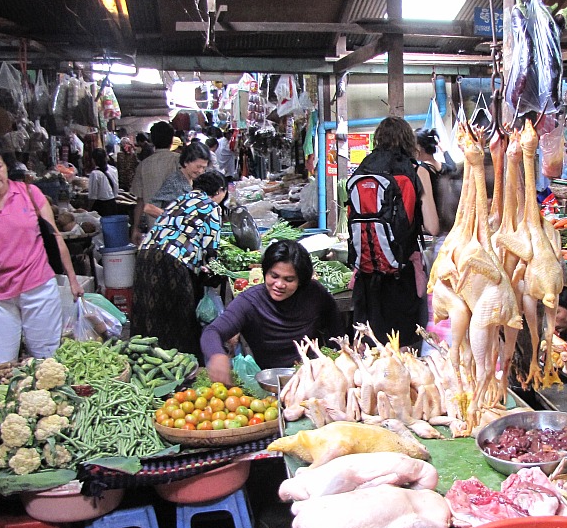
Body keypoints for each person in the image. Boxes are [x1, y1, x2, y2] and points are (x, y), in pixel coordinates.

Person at [0, 134, 84, 365]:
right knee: (2, 367)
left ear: (6, 166)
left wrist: (72, 280)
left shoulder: (30, 194)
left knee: (46, 362)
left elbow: (56, 238)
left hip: (39, 289)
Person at [351, 116, 440, 348]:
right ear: (410, 142)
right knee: (406, 353)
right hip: (403, 278)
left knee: (372, 354)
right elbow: (433, 226)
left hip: (367, 279)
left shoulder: (361, 172)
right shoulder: (415, 171)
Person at [201, 240, 343, 383]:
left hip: (314, 377)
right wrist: (217, 355)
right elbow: (212, 332)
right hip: (271, 380)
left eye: (289, 279)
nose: (279, 285)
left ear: (300, 280)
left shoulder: (314, 292)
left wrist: (339, 352)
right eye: (274, 276)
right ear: (265, 272)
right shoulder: (250, 302)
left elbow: (334, 319)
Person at [130, 170, 227, 358]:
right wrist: (217, 269)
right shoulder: (211, 206)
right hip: (171, 263)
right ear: (220, 190)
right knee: (178, 318)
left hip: (145, 257)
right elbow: (211, 249)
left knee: (149, 313)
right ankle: (181, 364)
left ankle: (144, 359)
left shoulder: (180, 200)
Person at [130, 122, 180, 244]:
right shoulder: (181, 161)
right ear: (172, 139)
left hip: (155, 228)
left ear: (152, 140)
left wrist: (135, 228)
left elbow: (140, 201)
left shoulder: (143, 165)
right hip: (180, 226)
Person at [146, 142, 211, 219]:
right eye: (198, 166)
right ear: (186, 162)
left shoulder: (195, 181)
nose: (200, 171)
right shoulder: (174, 181)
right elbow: (149, 208)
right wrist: (174, 220)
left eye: (203, 168)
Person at [414, 128, 458, 235]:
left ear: (419, 148)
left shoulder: (421, 171)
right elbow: (454, 167)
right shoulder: (446, 167)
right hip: (450, 220)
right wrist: (445, 152)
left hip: (431, 224)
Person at [87, 148, 119, 216]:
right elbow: (116, 188)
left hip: (102, 207)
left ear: (93, 160)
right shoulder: (113, 169)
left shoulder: (95, 174)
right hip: (113, 204)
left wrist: (88, 210)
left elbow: (93, 196)